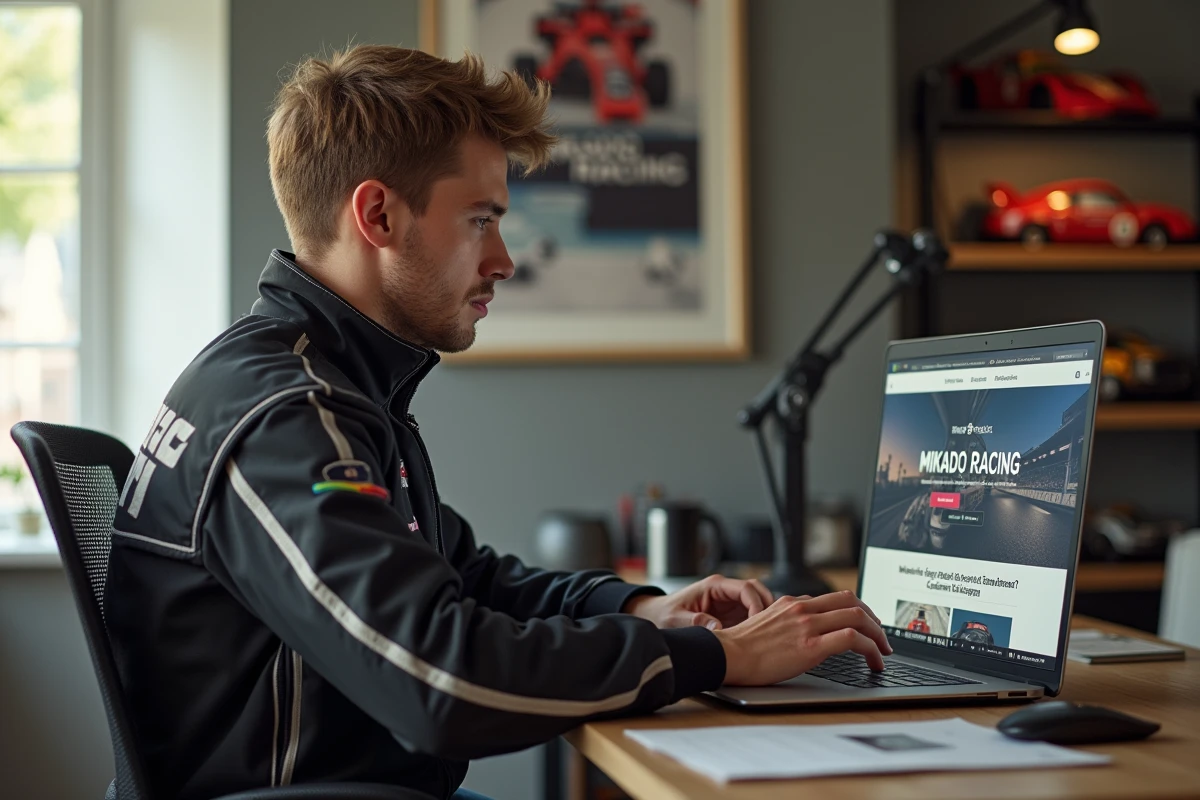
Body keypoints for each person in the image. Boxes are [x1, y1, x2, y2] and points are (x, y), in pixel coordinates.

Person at [106, 45, 891, 800]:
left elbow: (467, 578)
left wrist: (638, 609)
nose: (504, 260)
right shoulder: (286, 414)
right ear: (378, 215)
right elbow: (440, 678)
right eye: (480, 219)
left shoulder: (329, 386)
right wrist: (711, 657)